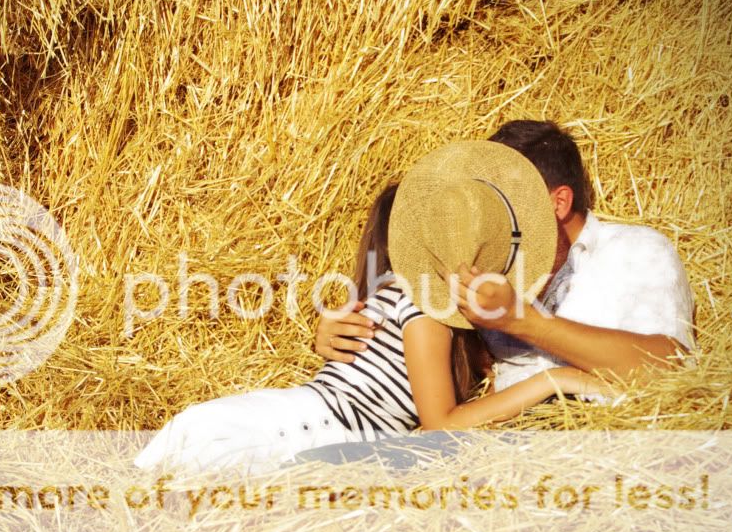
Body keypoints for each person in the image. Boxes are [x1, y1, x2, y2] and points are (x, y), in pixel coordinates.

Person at [135, 140, 606, 474]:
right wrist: (555, 380)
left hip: (288, 425)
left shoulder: (406, 303)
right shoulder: (421, 305)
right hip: (299, 433)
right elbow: (440, 426)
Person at [314, 120, 695, 399]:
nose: (493, 221)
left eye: (508, 207)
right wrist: (352, 334)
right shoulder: (490, 265)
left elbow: (671, 368)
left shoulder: (634, 251)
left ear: (558, 203)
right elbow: (429, 345)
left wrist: (522, 321)